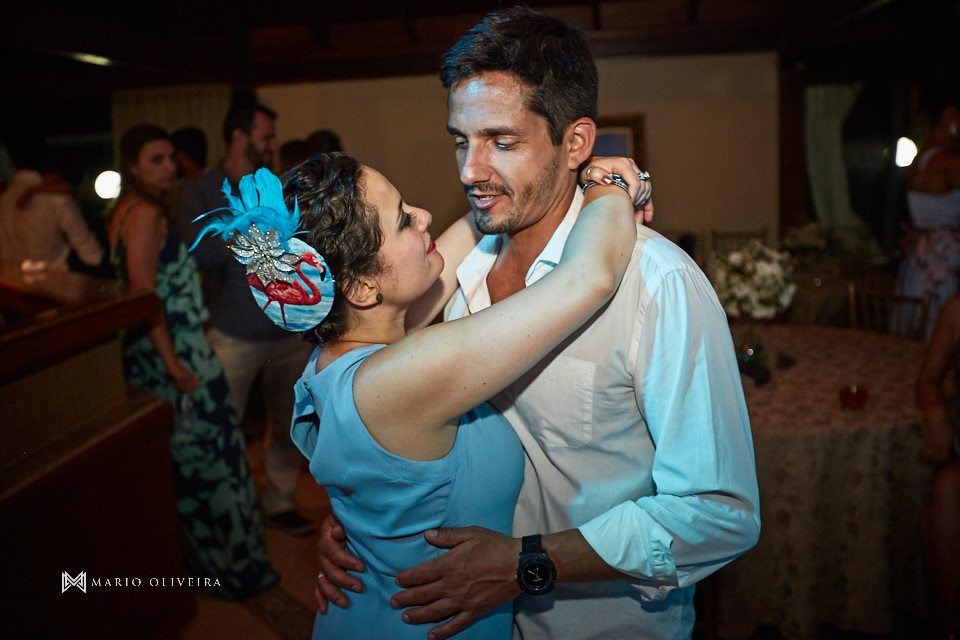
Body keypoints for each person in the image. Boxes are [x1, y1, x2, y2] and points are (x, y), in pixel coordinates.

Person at [314, 7, 760, 640]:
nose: (469, 171)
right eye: (460, 140)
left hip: (598, 625)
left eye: (502, 142)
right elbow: (374, 421)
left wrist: (528, 564)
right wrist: (359, 522)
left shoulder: (657, 282)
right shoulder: (445, 274)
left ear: (575, 143)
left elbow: (721, 513)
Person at [193, 149, 640, 638]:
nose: (425, 216)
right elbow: (588, 279)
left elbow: (468, 232)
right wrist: (615, 184)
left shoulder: (340, 356)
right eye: (404, 220)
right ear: (361, 286)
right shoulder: (395, 380)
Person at [106, 124, 278, 600]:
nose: (168, 167)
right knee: (215, 459)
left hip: (162, 346)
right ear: (133, 165)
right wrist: (175, 364)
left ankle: (200, 564)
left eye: (170, 158)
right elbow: (144, 299)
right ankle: (228, 568)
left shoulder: (124, 211)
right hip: (176, 349)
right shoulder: (142, 215)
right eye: (155, 159)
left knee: (191, 459)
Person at [178, 101, 316, 536]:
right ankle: (226, 514)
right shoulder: (201, 190)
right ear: (239, 136)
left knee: (288, 423)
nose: (273, 144)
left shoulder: (274, 185)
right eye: (266, 136)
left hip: (287, 331)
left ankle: (279, 501)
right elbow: (192, 256)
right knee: (219, 427)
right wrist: (242, 232)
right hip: (232, 333)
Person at [896, 83, 960, 340]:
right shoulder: (946, 162)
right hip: (941, 265)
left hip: (922, 259)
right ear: (950, 115)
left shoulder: (921, 158)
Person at [916, 293, 960, 638]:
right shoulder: (957, 308)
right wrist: (935, 413)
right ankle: (950, 620)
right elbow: (928, 378)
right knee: (945, 488)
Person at [0, 128, 103, 272]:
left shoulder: (4, 200)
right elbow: (93, 257)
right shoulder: (55, 198)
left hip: (13, 289)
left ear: (12, 161)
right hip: (54, 287)